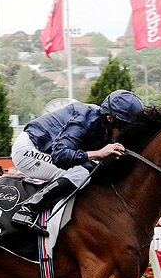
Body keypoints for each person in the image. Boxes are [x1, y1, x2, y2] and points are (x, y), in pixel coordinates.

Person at [10, 89, 143, 236]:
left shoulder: (105, 124)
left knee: (91, 169)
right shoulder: (84, 119)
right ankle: (27, 209)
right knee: (81, 174)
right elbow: (60, 155)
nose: (125, 131)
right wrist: (98, 153)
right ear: (110, 118)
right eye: (124, 125)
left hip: (47, 150)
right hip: (29, 149)